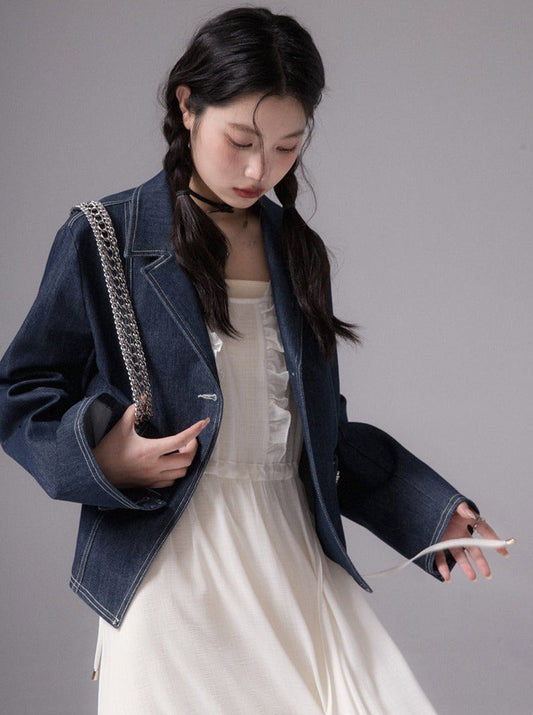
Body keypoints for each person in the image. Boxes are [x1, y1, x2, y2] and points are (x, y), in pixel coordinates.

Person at [0, 7, 509, 714]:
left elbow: (321, 433)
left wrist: (428, 510)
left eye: (285, 147)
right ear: (187, 106)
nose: (257, 169)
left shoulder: (296, 250)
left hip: (292, 553)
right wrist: (104, 457)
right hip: (169, 572)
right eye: (240, 140)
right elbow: (21, 392)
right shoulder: (106, 236)